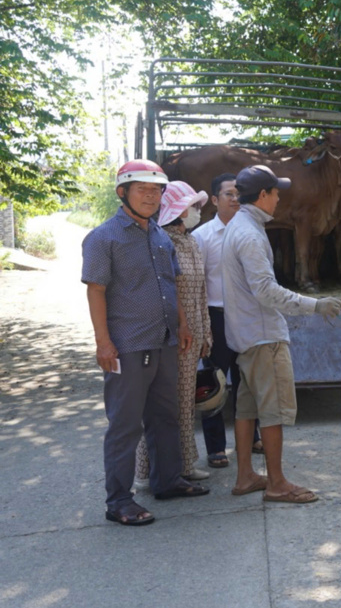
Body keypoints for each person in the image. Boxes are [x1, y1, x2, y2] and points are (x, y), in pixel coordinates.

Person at [81, 160, 210, 527]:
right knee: (125, 426)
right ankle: (119, 500)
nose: (151, 197)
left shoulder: (158, 235)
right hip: (127, 346)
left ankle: (167, 480)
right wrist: (103, 343)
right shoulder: (103, 238)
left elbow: (171, 284)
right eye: (142, 189)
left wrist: (183, 325)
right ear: (123, 192)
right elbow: (96, 291)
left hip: (166, 340)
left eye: (156, 191)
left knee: (165, 416)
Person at [221, 164, 341, 503]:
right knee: (273, 411)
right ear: (262, 195)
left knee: (247, 409)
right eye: (276, 192)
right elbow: (266, 291)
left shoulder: (240, 226)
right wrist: (314, 305)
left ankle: (246, 476)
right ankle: (277, 483)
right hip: (262, 337)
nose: (280, 198)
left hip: (245, 335)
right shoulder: (248, 234)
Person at [134, 181, 213, 485]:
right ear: (178, 211)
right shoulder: (159, 242)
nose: (197, 212)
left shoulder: (190, 243)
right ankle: (145, 471)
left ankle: (184, 465)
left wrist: (205, 332)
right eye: (193, 207)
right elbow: (160, 293)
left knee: (184, 404)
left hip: (192, 338)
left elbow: (201, 293)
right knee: (162, 406)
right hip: (170, 338)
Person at [193, 173, 263, 468]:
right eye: (229, 194)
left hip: (246, 317)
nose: (235, 199)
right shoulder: (201, 237)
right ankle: (216, 447)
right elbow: (196, 287)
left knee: (248, 380)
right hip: (216, 318)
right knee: (214, 384)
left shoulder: (253, 231)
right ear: (214, 200)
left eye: (239, 194)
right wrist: (201, 327)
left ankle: (254, 436)